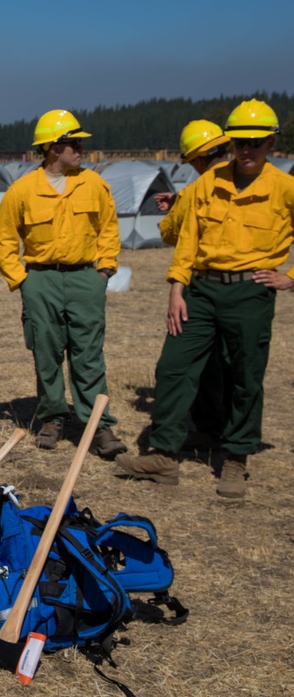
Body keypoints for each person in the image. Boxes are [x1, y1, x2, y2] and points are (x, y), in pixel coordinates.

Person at [117, 99, 294, 498]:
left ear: (271, 144)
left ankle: (235, 459)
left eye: (257, 142)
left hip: (251, 292)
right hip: (199, 289)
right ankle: (164, 456)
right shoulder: (206, 186)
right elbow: (188, 241)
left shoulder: (285, 188)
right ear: (230, 144)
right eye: (240, 143)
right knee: (173, 368)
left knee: (245, 376)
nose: (247, 150)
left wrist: (290, 278)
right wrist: (176, 289)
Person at [0, 110, 124, 457]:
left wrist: (104, 271)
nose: (80, 149)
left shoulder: (94, 184)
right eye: (72, 143)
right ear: (52, 148)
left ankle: (98, 425)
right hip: (41, 280)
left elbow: (109, 228)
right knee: (46, 353)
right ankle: (52, 417)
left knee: (89, 354)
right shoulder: (22, 190)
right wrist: (22, 281)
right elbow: (4, 238)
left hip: (85, 278)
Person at [153, 120, 233, 450]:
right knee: (226, 363)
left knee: (186, 364)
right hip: (246, 288)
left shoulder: (195, 191)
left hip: (199, 284)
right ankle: (221, 431)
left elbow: (171, 234)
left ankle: (195, 432)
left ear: (198, 159)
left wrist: (176, 208)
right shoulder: (254, 183)